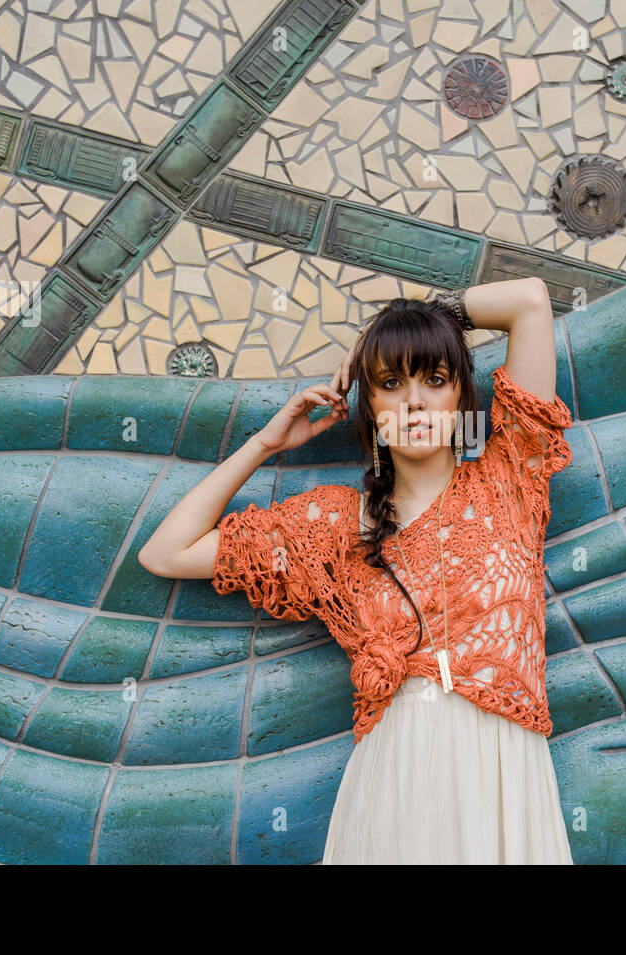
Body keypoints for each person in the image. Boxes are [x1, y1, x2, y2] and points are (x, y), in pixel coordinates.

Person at [138, 276, 575, 864]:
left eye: (435, 380)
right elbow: (166, 551)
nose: (414, 401)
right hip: (396, 785)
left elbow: (529, 301)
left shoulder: (510, 480)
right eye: (391, 384)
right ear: (369, 407)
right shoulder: (339, 527)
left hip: (505, 782)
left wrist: (388, 329)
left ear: (461, 398)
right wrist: (266, 444)